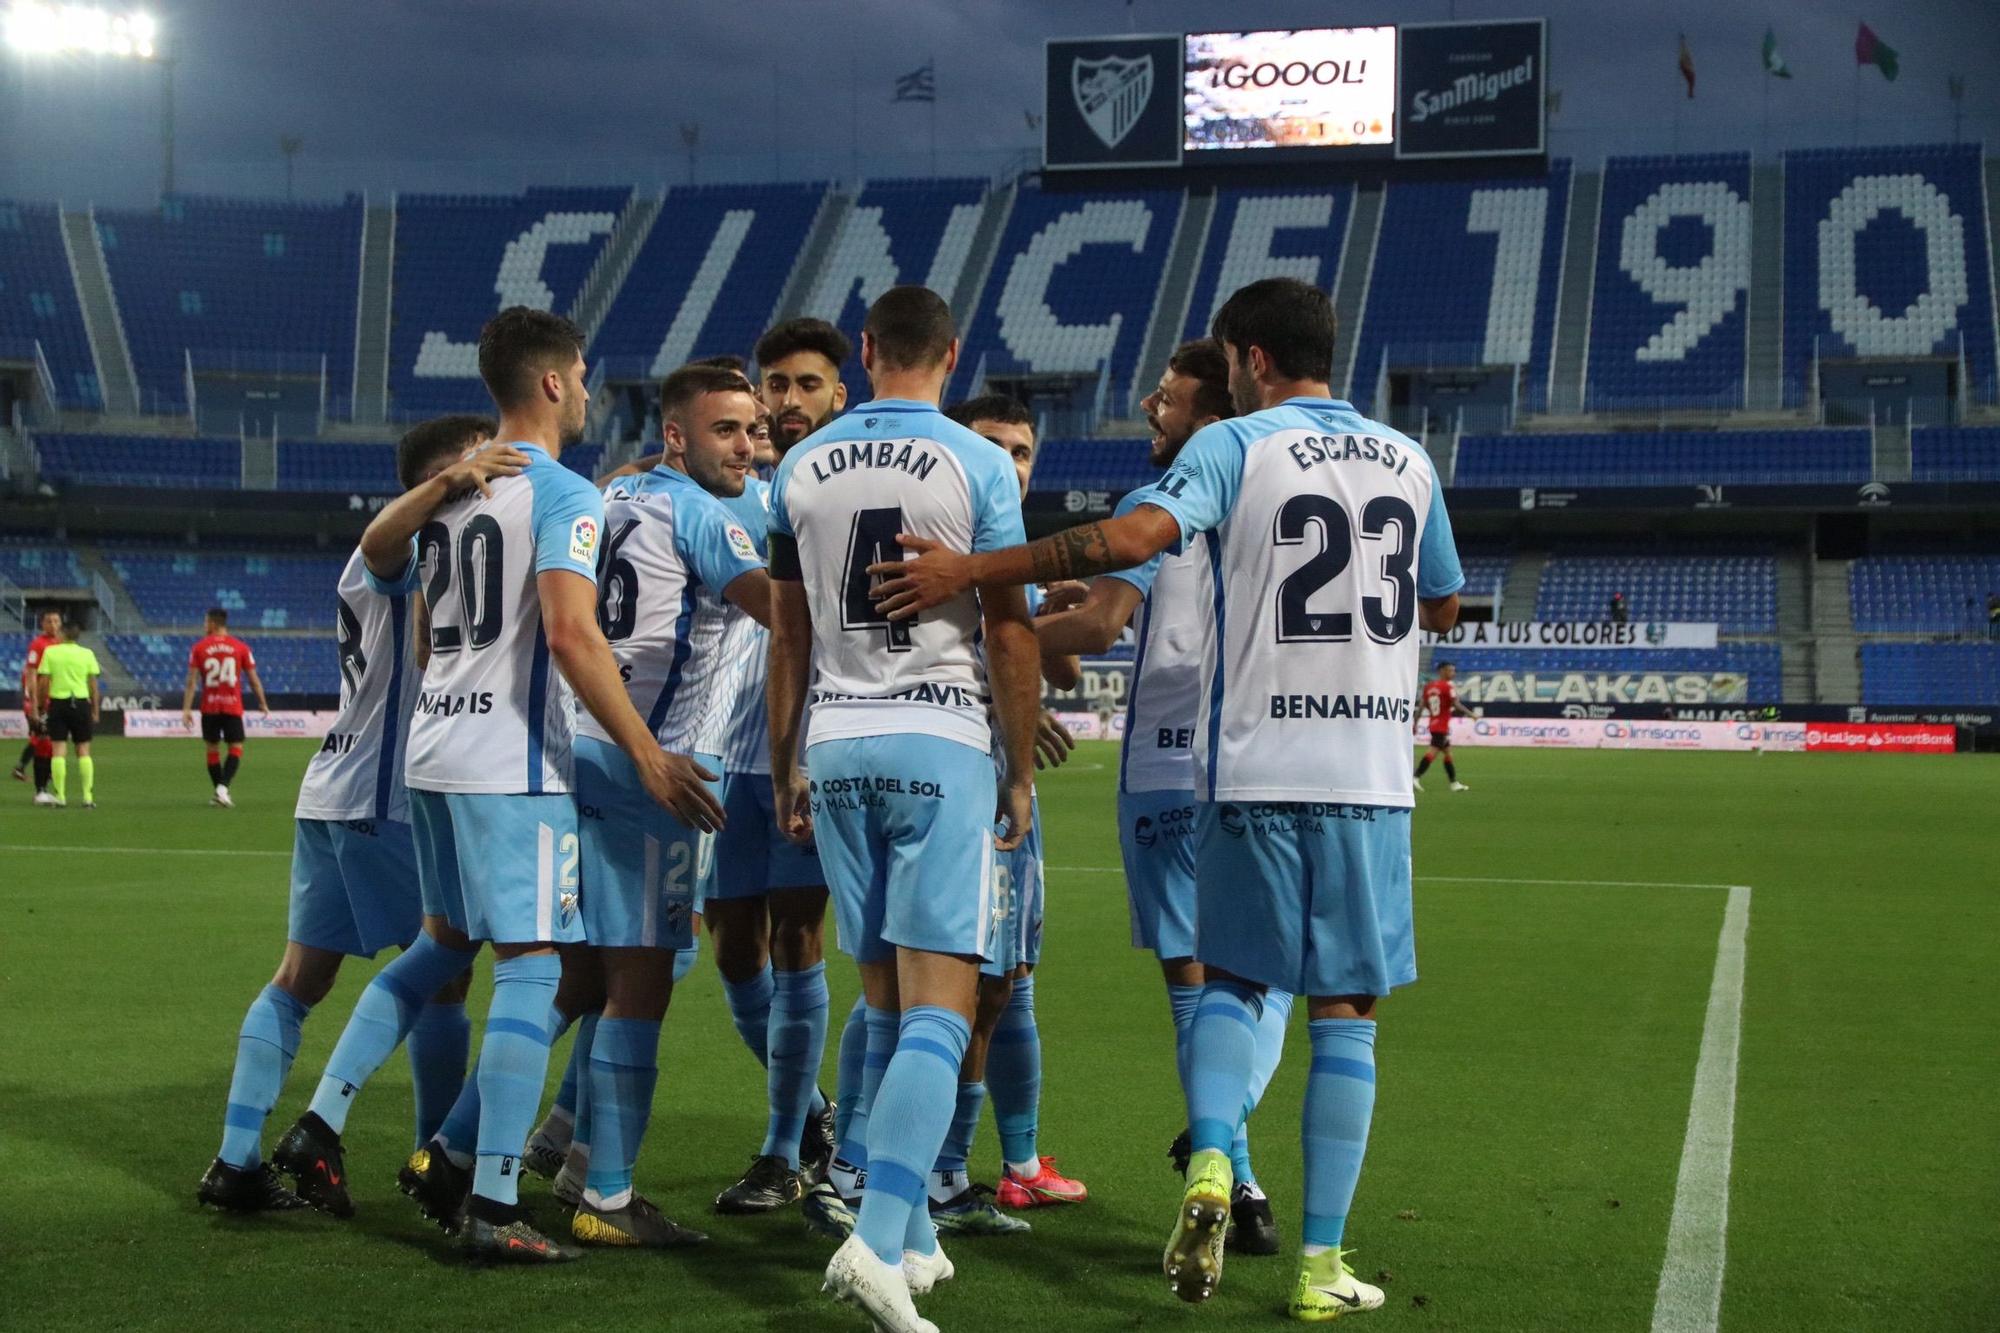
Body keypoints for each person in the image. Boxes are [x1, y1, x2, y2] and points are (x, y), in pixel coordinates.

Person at [866, 277, 1464, 1321]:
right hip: (1367, 774)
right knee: (1346, 1017)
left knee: (1227, 980)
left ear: (1247, 360)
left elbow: (1129, 544)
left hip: (1247, 769)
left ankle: (1216, 1161)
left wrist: (974, 567)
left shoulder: (1233, 447)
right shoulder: (1407, 458)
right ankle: (1321, 1268)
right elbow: (1443, 598)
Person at [359, 306, 722, 1264]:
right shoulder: (564, 493)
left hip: (432, 753)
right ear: (555, 383)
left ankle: (440, 1156)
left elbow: (383, 563)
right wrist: (646, 752)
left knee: (456, 948)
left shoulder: (455, 488)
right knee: (532, 967)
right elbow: (570, 633)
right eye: (586, 377)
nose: (593, 393)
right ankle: (491, 1200)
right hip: (514, 765)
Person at [768, 285, 1042, 1331]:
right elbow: (1008, 628)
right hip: (937, 737)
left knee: (883, 1001)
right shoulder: (973, 460)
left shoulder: (800, 464)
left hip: (835, 742)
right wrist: (1014, 766)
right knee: (943, 1004)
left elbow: (787, 633)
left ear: (867, 351)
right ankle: (877, 1241)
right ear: (950, 352)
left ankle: (917, 1235)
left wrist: (787, 761)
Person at [1029, 339, 1292, 1255]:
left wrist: (1009, 628)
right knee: (1266, 965)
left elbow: (1100, 627)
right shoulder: (1273, 494)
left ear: (1210, 416)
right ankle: (1233, 1158)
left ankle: (1232, 1162)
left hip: (1162, 768)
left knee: (1192, 979)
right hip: (1260, 757)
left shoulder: (1160, 502)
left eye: (1168, 398)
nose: (1150, 406)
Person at [198, 415, 493, 1215]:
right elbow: (380, 546)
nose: (495, 478)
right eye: (482, 464)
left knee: (300, 980)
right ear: (445, 476)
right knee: (447, 972)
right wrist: (450, 486)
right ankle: (439, 1159)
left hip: (333, 789)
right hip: (388, 800)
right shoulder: (408, 547)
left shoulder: (424, 556)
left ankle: (236, 1161)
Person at [554, 362, 775, 1249]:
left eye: (752, 429)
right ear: (677, 434)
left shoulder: (611, 498)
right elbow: (782, 612)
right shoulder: (706, 515)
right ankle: (606, 1193)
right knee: (642, 979)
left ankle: (483, 1149)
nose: (750, 445)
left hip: (583, 747)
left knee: (575, 974)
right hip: (664, 766)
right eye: (729, 430)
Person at [919, 393, 1085, 1236]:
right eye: (994, 446)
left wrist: (1046, 618)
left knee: (1007, 983)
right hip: (965, 779)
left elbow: (1068, 676)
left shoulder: (1008, 550)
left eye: (1022, 451)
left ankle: (1006, 1163)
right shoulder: (934, 537)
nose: (1010, 463)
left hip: (1009, 781)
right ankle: (941, 1171)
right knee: (961, 984)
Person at [700, 318, 854, 1217]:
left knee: (797, 937)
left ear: (841, 392)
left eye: (805, 383)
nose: (785, 400)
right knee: (731, 949)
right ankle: (816, 1115)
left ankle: (782, 1147)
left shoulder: (850, 488)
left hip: (810, 748)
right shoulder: (736, 496)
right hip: (727, 754)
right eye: (774, 384)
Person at [181, 608, 271, 808]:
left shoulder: (199, 648)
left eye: (205, 622)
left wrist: (186, 709)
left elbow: (191, 682)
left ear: (213, 624)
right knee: (236, 747)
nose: (204, 626)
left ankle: (220, 791)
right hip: (232, 706)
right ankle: (222, 790)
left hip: (209, 706)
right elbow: (254, 680)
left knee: (212, 748)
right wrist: (262, 702)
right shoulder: (241, 648)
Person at [35, 619, 99, 809]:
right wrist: (95, 709)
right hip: (80, 703)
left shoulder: (51, 652)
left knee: (58, 750)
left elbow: (44, 682)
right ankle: (87, 797)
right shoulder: (87, 653)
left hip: (59, 703)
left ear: (62, 634)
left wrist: (40, 706)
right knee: (83, 750)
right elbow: (93, 684)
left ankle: (61, 796)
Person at [13, 607, 60, 797]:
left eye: (56, 621)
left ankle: (44, 781)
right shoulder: (38, 645)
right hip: (40, 701)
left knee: (48, 742)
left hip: (55, 700)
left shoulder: (59, 643)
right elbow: (31, 674)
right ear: (42, 624)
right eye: (49, 621)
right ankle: (41, 788)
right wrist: (33, 703)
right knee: (43, 741)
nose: (53, 625)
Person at [1414, 661, 1473, 792]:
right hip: (1440, 727)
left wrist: (1415, 723)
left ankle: (1453, 783)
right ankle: (1415, 776)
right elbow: (1457, 705)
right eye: (1450, 670)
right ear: (1441, 671)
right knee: (1432, 753)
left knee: (1447, 752)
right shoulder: (1448, 687)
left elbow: (1421, 706)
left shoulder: (1429, 686)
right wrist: (1471, 714)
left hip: (1434, 724)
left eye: (1453, 670)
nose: (1453, 673)